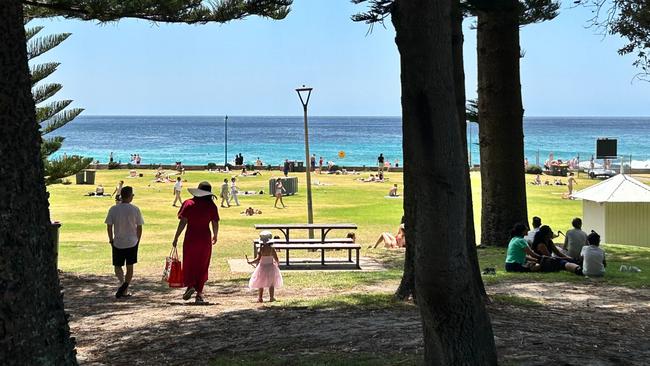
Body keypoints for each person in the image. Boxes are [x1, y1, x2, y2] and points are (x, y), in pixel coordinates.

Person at [172, 182, 220, 304]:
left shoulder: (188, 203)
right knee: (203, 265)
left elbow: (183, 222)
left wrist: (176, 237)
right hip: (204, 237)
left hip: (191, 237)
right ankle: (199, 293)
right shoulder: (211, 206)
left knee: (190, 262)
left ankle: (190, 285)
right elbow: (215, 222)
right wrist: (215, 235)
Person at [104, 186, 144, 298]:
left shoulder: (113, 209)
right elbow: (139, 227)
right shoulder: (135, 209)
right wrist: (138, 240)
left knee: (117, 265)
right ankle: (125, 287)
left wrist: (111, 239)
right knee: (130, 266)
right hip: (132, 241)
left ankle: (122, 283)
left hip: (118, 241)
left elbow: (109, 226)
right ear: (130, 196)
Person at [247, 231, 283, 303]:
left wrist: (251, 262)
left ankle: (260, 298)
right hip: (271, 266)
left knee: (261, 283)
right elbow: (276, 258)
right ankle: (271, 297)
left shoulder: (261, 249)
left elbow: (258, 259)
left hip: (262, 267)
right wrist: (277, 264)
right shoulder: (272, 249)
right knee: (271, 283)